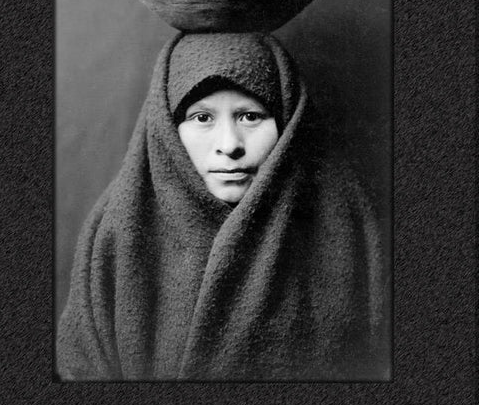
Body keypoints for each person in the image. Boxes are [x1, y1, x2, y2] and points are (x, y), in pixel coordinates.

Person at [57, 32, 386, 381]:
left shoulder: (345, 223)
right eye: (202, 118)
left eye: (250, 116)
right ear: (166, 128)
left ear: (289, 121)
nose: (229, 145)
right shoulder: (117, 232)